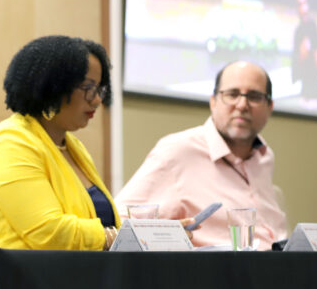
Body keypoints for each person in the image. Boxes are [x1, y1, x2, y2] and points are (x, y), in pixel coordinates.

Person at [116, 61, 287, 249]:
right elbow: (119, 220)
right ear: (213, 101)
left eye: (254, 96)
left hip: (281, 269)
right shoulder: (178, 151)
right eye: (232, 94)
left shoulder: (264, 156)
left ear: (270, 106)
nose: (242, 104)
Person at [0, 36, 121, 250]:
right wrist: (116, 238)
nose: (97, 100)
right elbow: (49, 233)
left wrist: (157, 234)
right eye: (88, 88)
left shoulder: (73, 146)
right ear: (53, 87)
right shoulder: (8, 143)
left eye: (99, 89)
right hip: (30, 278)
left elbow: (102, 225)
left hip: (82, 273)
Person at [292, 0, 317, 105]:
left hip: (316, 91)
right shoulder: (298, 31)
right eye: (300, 4)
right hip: (305, 93)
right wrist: (301, 56)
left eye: (305, 3)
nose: (304, 9)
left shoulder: (313, 27)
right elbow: (295, 65)